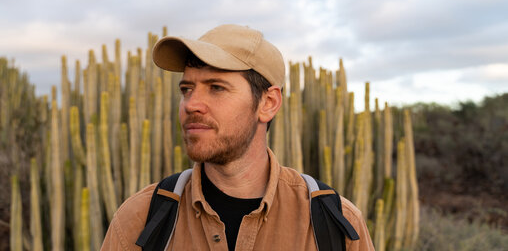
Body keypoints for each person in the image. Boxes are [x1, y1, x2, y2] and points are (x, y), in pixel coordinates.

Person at [101, 24, 374, 251]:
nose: (191, 104)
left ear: (268, 103)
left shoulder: (335, 225)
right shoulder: (141, 219)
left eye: (216, 88)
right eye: (187, 89)